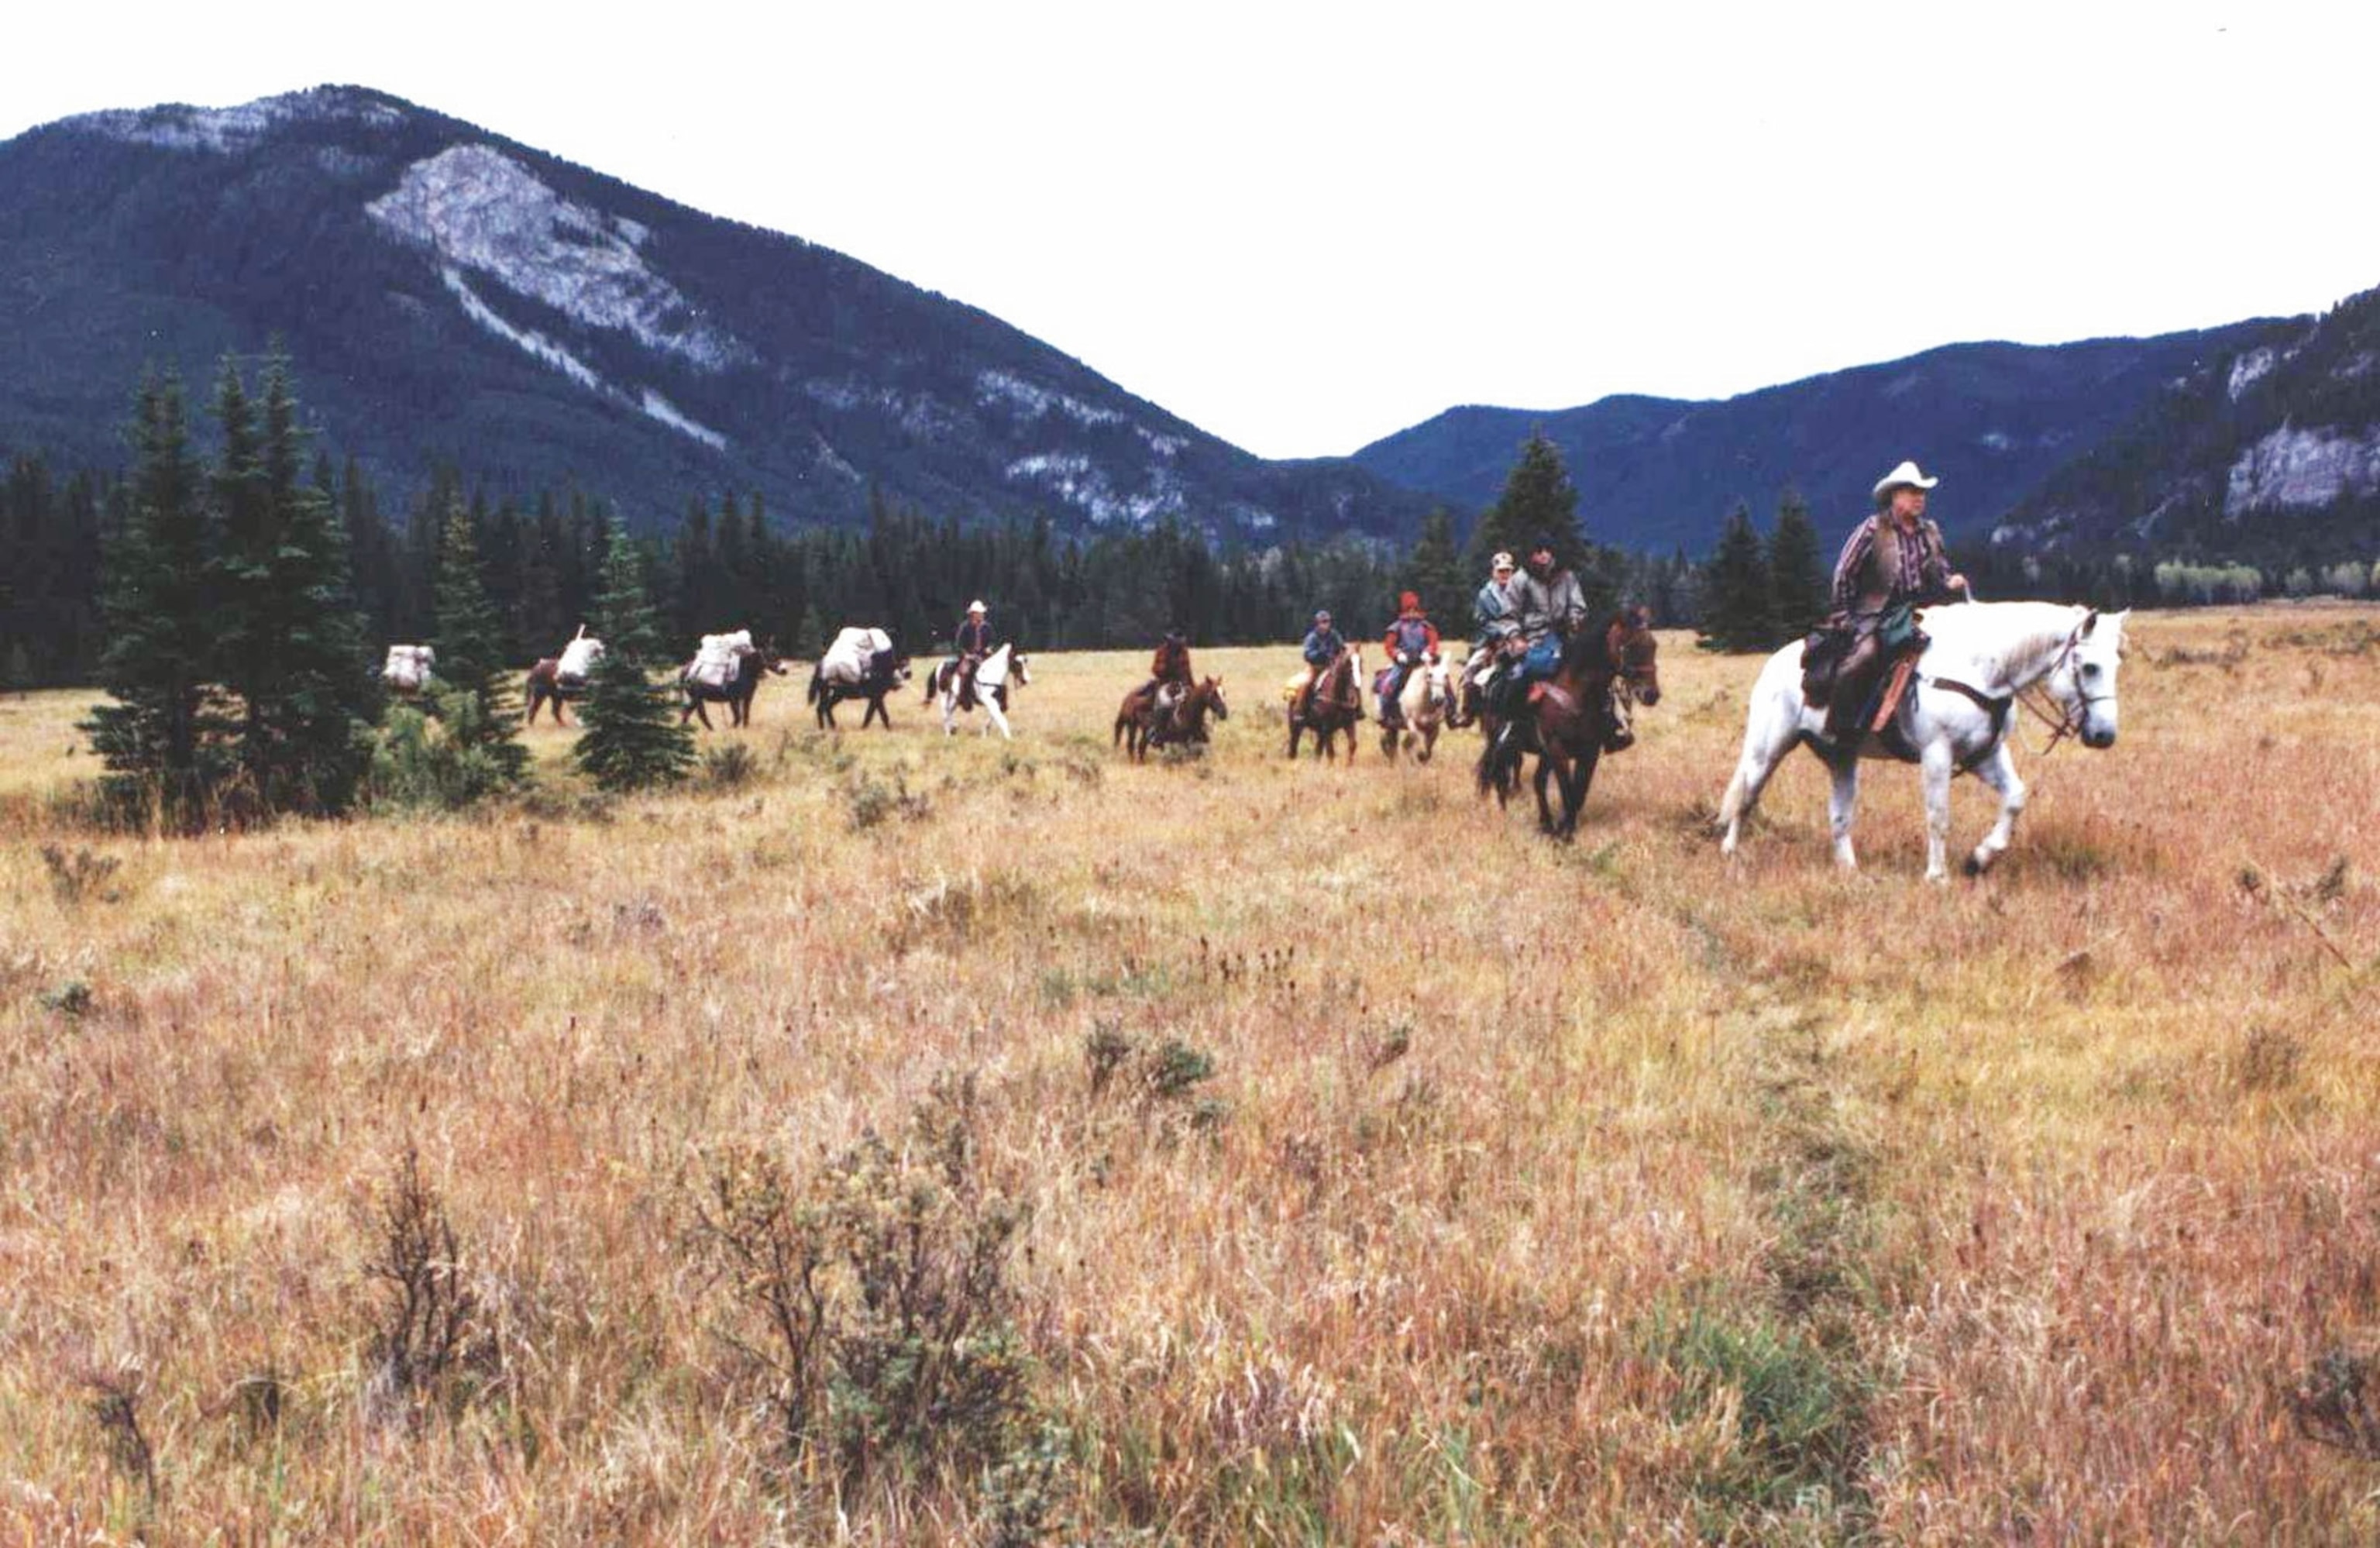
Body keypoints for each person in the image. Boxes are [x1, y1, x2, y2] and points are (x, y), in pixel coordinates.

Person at [1812, 461, 1969, 741]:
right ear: (1894, 496)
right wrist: (1842, 617)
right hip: (1874, 614)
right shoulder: (1873, 529)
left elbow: (1939, 573)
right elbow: (1844, 574)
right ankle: (1836, 728)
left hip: (1918, 612)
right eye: (1912, 492)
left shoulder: (1929, 531)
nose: (1920, 498)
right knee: (1864, 657)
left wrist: (1949, 582)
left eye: (1922, 492)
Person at [1492, 535, 1587, 712]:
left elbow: (1578, 605)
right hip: (1530, 640)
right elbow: (1507, 615)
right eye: (1538, 551)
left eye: (1547, 550)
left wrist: (1574, 620)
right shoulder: (1521, 579)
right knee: (1515, 680)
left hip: (1564, 636)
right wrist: (1515, 638)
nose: (1544, 555)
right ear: (1531, 555)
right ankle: (1511, 724)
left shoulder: (1567, 577)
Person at [1460, 552, 1521, 714]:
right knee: (1471, 668)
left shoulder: (1521, 592)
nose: (1504, 574)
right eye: (1501, 571)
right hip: (1492, 640)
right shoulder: (1485, 594)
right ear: (1494, 572)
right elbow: (1481, 620)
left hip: (1519, 637)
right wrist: (1500, 632)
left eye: (1507, 571)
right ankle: (1467, 711)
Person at [1377, 593, 1440, 726]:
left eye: (1415, 609)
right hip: (1402, 665)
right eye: (1409, 609)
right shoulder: (1396, 627)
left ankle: (1452, 713)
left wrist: (1428, 652)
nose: (1412, 613)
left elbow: (1433, 642)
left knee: (1442, 682)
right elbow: (1389, 645)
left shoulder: (1426, 627)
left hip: (1422, 664)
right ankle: (1385, 713)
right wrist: (1397, 654)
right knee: (1389, 684)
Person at [1291, 609, 1348, 718]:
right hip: (1316, 667)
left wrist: (1342, 653)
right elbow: (1307, 654)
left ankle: (1353, 709)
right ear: (1318, 624)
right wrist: (1320, 654)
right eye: (1323, 622)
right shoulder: (1312, 637)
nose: (1326, 624)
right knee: (1307, 683)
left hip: (1333, 667)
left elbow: (1342, 648)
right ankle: (1299, 710)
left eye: (1327, 621)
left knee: (1348, 682)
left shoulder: (1334, 635)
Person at [1134, 628, 1196, 724]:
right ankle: (1156, 727)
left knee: (1195, 703)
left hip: (1182, 683)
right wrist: (1166, 669)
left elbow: (1188, 671)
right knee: (1163, 703)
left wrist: (1193, 686)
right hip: (1165, 683)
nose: (1179, 645)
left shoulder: (1184, 652)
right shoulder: (1162, 651)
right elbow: (1155, 669)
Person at [949, 599, 995, 704]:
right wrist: (966, 655)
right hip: (968, 656)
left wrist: (990, 648)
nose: (981, 615)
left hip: (983, 655)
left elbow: (992, 641)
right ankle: (963, 696)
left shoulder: (987, 627)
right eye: (979, 613)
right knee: (966, 672)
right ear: (973, 614)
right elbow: (958, 645)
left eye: (982, 613)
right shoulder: (965, 627)